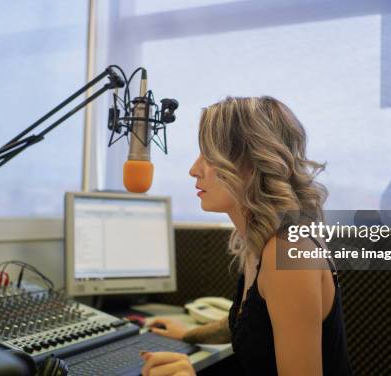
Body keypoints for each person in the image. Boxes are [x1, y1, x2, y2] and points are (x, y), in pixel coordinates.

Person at [141, 96, 352, 376]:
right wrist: (191, 334)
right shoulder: (260, 241)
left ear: (252, 164)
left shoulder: (287, 252)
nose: (194, 169)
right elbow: (254, 322)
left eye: (209, 155)